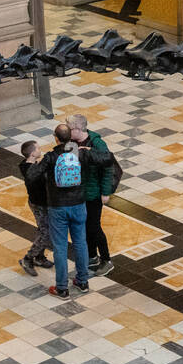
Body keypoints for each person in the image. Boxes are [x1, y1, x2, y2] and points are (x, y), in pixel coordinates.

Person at [29, 123, 113, 299]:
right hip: (79, 205)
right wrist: (88, 150)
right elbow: (107, 158)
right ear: (71, 138)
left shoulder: (51, 156)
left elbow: (32, 176)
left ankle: (62, 288)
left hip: (58, 207)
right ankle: (82, 282)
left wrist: (31, 163)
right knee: (80, 243)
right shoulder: (80, 153)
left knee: (60, 247)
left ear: (56, 138)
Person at [68, 114, 117, 276]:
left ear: (78, 128)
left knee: (94, 227)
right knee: (85, 226)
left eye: (69, 127)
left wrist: (105, 192)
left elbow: (108, 167)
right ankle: (91, 256)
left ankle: (106, 260)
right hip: (80, 193)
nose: (67, 130)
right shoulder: (72, 143)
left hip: (94, 192)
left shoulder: (97, 143)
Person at [17, 140, 53, 275]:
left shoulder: (32, 165)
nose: (40, 149)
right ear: (32, 153)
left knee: (43, 229)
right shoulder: (30, 170)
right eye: (38, 148)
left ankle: (39, 257)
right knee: (46, 232)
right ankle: (28, 258)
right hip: (39, 204)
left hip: (41, 202)